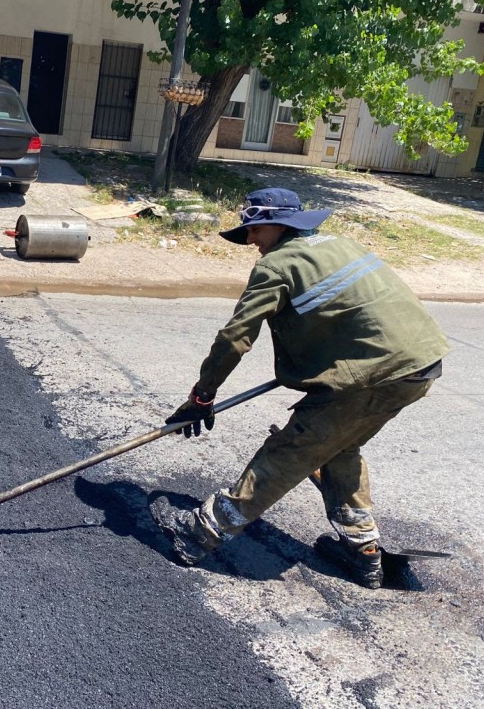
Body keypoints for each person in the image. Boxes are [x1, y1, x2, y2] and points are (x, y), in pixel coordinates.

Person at [150, 187, 449, 589]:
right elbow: (358, 313)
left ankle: (200, 533)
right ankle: (362, 550)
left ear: (280, 225)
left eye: (255, 230)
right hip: (420, 366)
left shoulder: (277, 265)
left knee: (289, 453)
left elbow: (235, 337)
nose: (251, 240)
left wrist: (202, 395)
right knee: (339, 448)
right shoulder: (342, 244)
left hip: (372, 377)